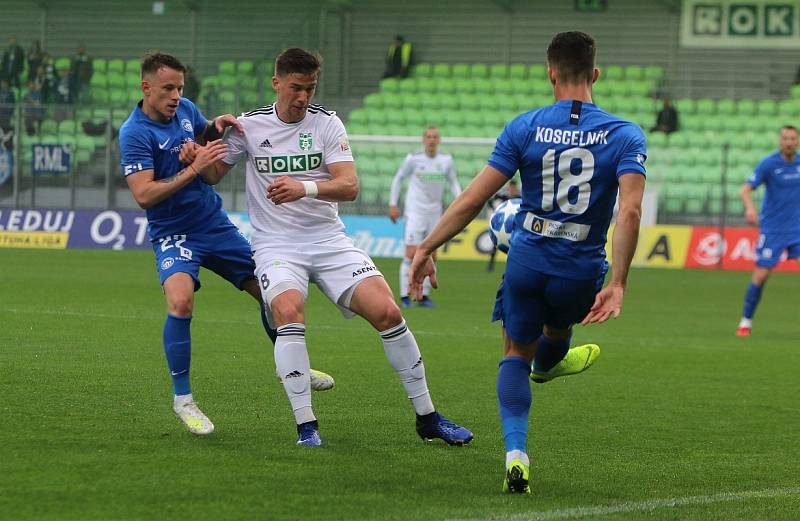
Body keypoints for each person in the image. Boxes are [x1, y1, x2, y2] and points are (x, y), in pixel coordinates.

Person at [195, 47, 473, 447]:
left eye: (310, 88)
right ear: (277, 83)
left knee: (389, 311)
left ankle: (427, 417)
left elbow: (350, 186)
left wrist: (304, 187)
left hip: (329, 240)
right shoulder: (249, 127)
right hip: (276, 244)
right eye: (296, 87)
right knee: (289, 311)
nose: (303, 96)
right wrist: (198, 156)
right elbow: (214, 175)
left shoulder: (327, 124)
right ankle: (307, 428)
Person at [409, 31, 647, 493]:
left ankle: (516, 455)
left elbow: (472, 200)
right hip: (579, 268)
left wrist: (426, 247)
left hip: (527, 261)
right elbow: (631, 211)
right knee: (556, 335)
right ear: (595, 74)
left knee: (516, 353)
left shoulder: (525, 127)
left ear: (550, 74)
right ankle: (550, 362)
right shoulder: (624, 134)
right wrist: (618, 281)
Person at [118, 52, 333, 437]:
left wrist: (213, 129)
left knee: (271, 293)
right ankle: (183, 400)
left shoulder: (185, 109)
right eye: (168, 88)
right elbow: (145, 195)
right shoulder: (134, 133)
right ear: (146, 87)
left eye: (180, 88)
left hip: (214, 224)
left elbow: (203, 138)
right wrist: (193, 169)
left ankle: (295, 364)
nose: (176, 95)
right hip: (173, 233)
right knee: (181, 301)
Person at [735, 125, 800, 337]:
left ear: (797, 141)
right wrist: (751, 209)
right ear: (780, 141)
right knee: (761, 276)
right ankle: (746, 321)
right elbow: (745, 189)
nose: (789, 142)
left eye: (792, 138)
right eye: (785, 138)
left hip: (797, 229)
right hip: (773, 229)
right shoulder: (769, 164)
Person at [389, 126, 461, 308]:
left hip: (435, 213)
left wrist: (459, 202)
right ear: (423, 139)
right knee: (411, 253)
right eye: (428, 136)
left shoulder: (446, 160)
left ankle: (424, 296)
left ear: (439, 140)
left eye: (435, 137)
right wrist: (393, 204)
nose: (431, 140)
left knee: (432, 254)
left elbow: (453, 182)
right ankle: (405, 295)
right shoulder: (413, 158)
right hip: (415, 212)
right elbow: (398, 178)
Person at [485, 179, 520, 273]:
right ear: (509, 188)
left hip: (515, 226)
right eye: (511, 188)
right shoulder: (502, 195)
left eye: (514, 188)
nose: (513, 190)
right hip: (501, 225)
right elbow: (490, 201)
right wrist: (495, 212)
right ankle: (490, 264)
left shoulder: (519, 197)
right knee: (495, 245)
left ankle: (514, 267)